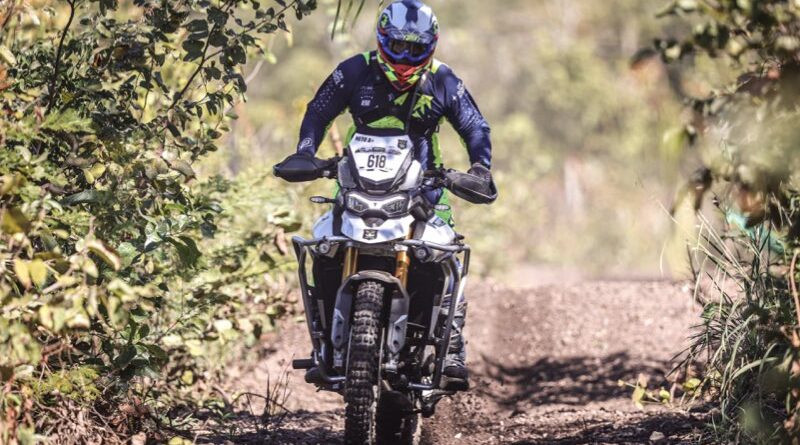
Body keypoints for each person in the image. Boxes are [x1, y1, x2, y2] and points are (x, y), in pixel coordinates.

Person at [277, 0, 495, 389]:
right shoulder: (354, 70)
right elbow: (318, 112)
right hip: (355, 185)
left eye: (416, 48)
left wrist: (479, 167)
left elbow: (475, 127)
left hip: (426, 188)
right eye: (398, 46)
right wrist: (306, 151)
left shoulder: (444, 80)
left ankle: (452, 349)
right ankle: (323, 341)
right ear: (381, 39)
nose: (406, 57)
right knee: (323, 245)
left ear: (431, 45)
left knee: (447, 252)